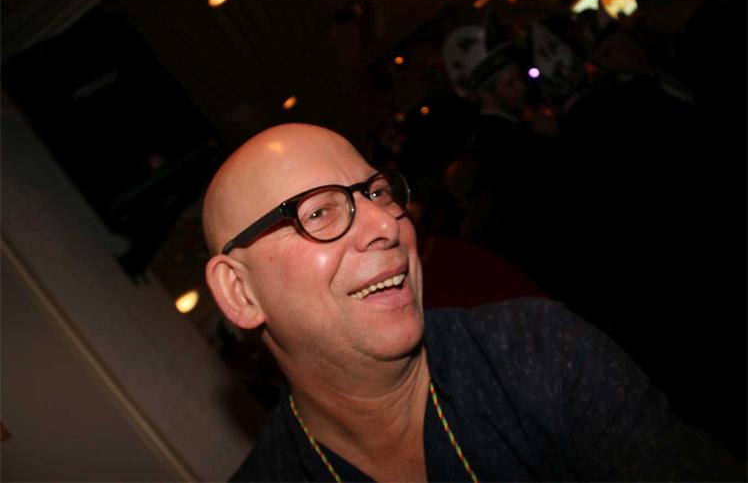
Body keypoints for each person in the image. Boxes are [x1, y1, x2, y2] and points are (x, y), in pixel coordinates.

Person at [202, 123, 742, 482]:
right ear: (240, 292)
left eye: (378, 192)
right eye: (318, 213)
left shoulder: (535, 350)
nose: (385, 224)